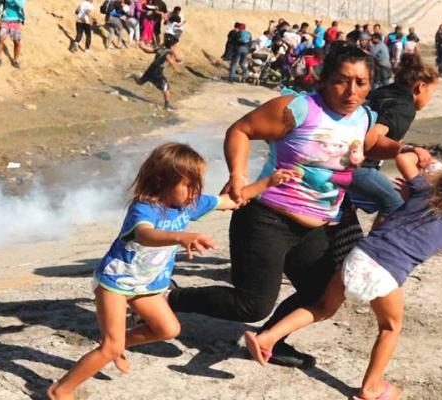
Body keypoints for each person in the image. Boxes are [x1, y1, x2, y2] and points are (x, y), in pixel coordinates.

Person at [167, 45, 407, 369]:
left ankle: (272, 341)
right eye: (342, 80)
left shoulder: (364, 118)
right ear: (324, 80)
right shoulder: (299, 108)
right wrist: (238, 175)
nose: (352, 91)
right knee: (251, 306)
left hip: (316, 226)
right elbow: (241, 130)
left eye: (361, 83)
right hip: (266, 218)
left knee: (321, 293)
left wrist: (405, 150)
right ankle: (171, 298)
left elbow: (371, 146)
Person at [46, 143, 300, 400]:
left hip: (146, 285)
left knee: (168, 330)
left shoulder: (190, 204)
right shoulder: (144, 208)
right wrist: (180, 237)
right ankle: (61, 390)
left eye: (197, 185)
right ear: (160, 181)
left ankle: (119, 344)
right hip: (115, 283)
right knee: (110, 347)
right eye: (188, 185)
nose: (195, 192)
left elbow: (231, 200)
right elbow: (146, 235)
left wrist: (269, 182)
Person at [244, 155, 442, 400]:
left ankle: (268, 337)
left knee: (321, 307)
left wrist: (425, 160)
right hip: (386, 273)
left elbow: (404, 159)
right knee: (390, 328)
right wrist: (417, 192)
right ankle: (371, 388)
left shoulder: (421, 192)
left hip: (358, 256)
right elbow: (418, 230)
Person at [349, 53, 437, 227]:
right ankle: (375, 251)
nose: (430, 98)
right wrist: (407, 148)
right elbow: (370, 139)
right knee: (397, 204)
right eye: (432, 92)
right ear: (420, 87)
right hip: (356, 165)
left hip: (336, 155)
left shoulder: (383, 91)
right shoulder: (405, 107)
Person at [134, 33, 182, 111]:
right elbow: (170, 60)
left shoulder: (160, 48)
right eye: (175, 46)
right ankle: (167, 105)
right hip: (157, 72)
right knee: (166, 87)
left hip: (151, 69)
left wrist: (142, 47)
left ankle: (134, 76)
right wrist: (177, 69)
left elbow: (148, 50)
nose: (175, 47)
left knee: (140, 82)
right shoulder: (168, 52)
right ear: (171, 46)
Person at [0, 0, 24, 68]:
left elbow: (21, 5)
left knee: (17, 42)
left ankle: (15, 60)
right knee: (1, 39)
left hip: (16, 21)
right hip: (5, 20)